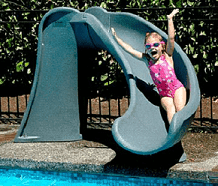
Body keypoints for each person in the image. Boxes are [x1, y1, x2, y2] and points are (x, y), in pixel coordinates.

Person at [111, 9, 186, 123]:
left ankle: (180, 127)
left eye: (156, 44)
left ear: (162, 46)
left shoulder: (167, 56)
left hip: (176, 88)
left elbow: (171, 38)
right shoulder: (147, 60)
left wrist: (170, 19)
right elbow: (130, 49)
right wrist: (116, 38)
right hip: (164, 93)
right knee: (170, 108)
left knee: (180, 110)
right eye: (148, 46)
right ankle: (174, 135)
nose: (152, 48)